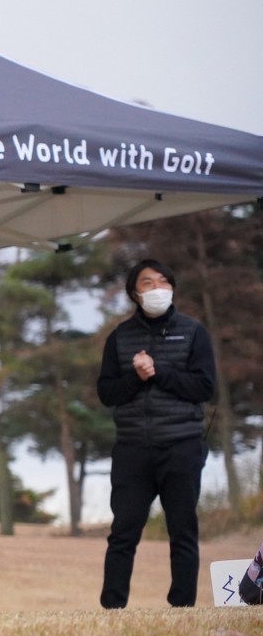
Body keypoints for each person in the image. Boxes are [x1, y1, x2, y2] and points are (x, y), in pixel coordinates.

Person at [96, 259, 215, 609]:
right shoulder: (119, 337)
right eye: (148, 283)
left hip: (182, 445)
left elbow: (204, 387)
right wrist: (136, 377)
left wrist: (158, 371)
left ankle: (182, 607)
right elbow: (107, 393)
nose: (157, 289)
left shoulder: (193, 332)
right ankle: (112, 607)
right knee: (123, 532)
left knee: (182, 531)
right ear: (135, 293)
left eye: (164, 281)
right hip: (133, 448)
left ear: (173, 288)